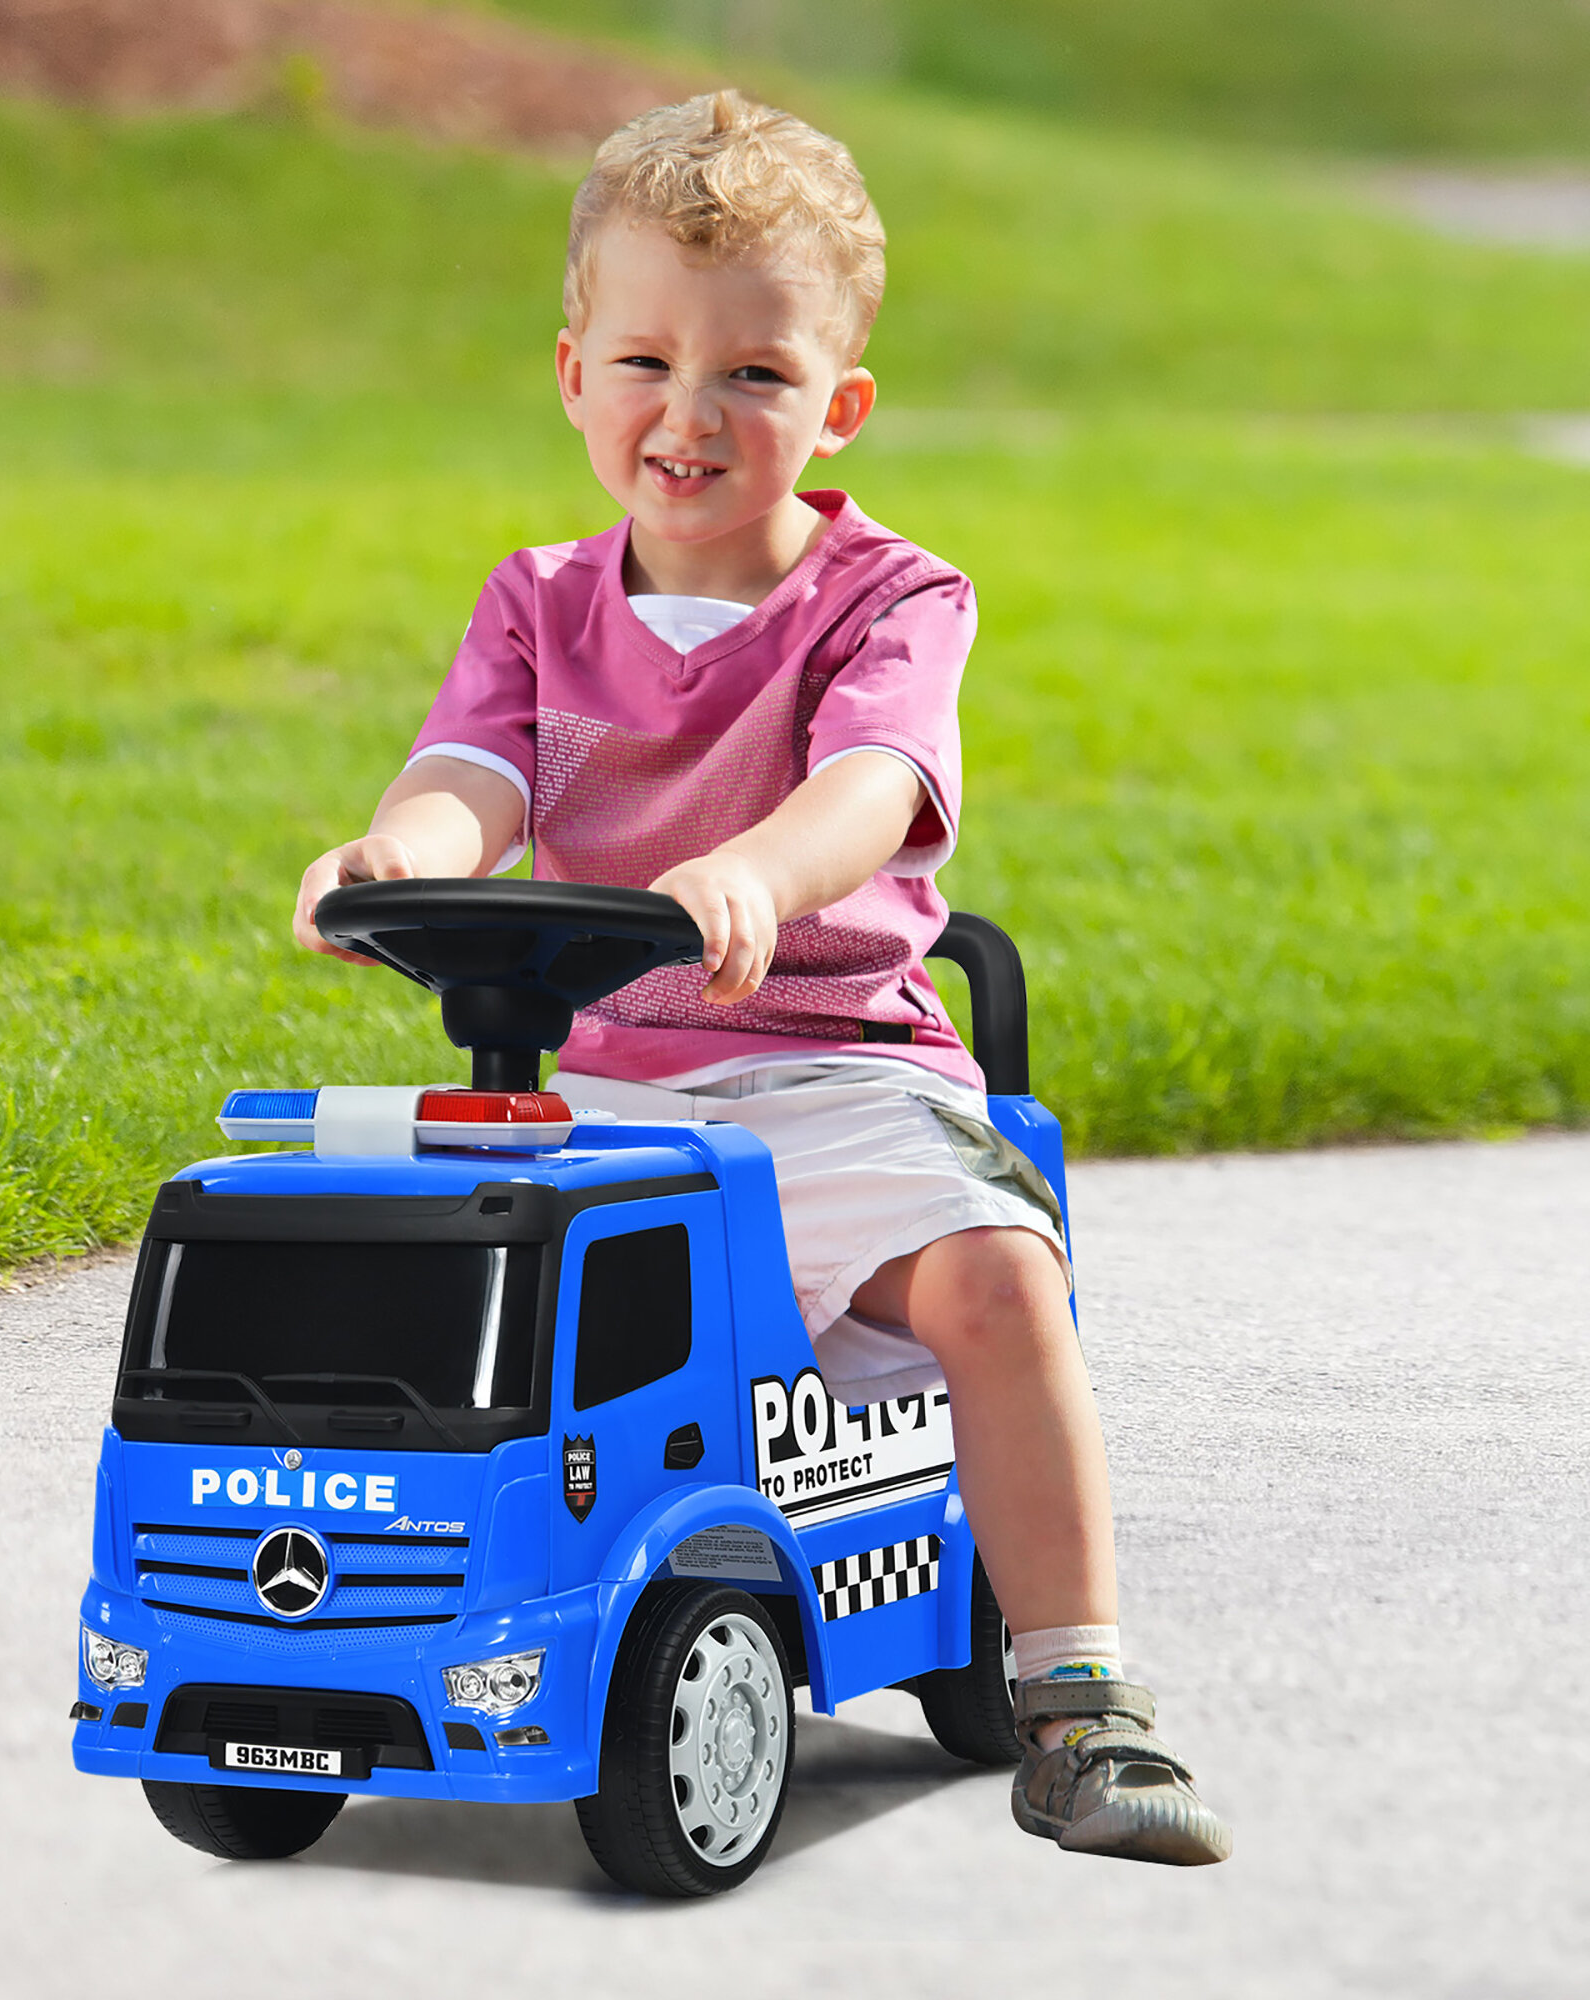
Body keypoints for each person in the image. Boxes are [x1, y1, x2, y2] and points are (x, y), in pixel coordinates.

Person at [294, 89, 1229, 1866]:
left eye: (753, 375)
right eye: (645, 360)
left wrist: (759, 869)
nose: (690, 415)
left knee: (997, 1279)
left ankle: (1078, 1696)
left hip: (833, 1067)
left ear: (835, 404)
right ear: (571, 374)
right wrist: (397, 859)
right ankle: (404, 1630)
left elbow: (874, 786)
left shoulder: (893, 599)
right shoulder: (537, 605)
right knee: (420, 1293)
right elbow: (474, 775)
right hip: (610, 1092)